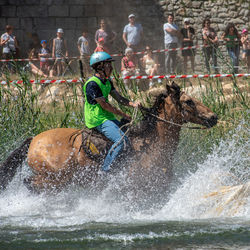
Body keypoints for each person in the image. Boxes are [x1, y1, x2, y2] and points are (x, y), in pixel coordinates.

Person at [83, 51, 140, 172]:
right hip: (97, 120)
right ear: (99, 67)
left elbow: (119, 99)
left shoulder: (108, 82)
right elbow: (105, 105)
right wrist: (124, 114)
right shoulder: (92, 84)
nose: (111, 68)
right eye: (108, 65)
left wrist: (133, 104)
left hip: (107, 118)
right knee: (121, 142)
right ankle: (105, 170)